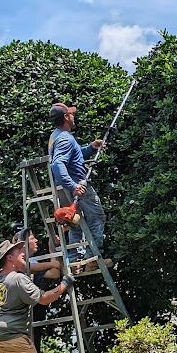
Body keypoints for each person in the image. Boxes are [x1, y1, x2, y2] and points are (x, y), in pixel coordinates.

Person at [48, 102, 107, 269]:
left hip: (63, 187)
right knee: (97, 217)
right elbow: (58, 163)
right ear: (66, 117)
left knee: (74, 222)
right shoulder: (66, 137)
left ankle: (75, 261)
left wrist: (90, 148)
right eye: (71, 114)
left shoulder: (56, 136)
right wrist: (73, 185)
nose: (73, 116)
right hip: (76, 185)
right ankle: (92, 258)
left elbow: (74, 155)